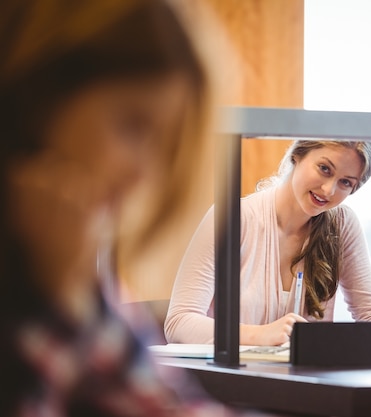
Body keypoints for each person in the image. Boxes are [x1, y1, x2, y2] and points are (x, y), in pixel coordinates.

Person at [0, 0, 249, 416]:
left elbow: (166, 405)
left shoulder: (68, 257)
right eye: (133, 125)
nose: (143, 174)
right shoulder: (52, 272)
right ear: (39, 95)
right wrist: (54, 301)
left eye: (163, 145)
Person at [165, 140, 371, 348]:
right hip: (231, 387)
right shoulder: (233, 218)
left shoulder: (342, 224)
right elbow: (179, 322)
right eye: (324, 169)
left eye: (346, 183)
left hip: (306, 390)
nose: (328, 190)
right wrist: (260, 335)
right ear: (297, 155)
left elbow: (370, 313)